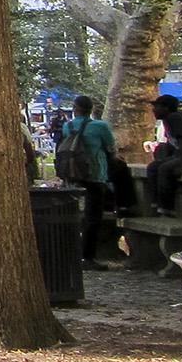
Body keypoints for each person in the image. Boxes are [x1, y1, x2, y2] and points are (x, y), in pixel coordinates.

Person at [62, 96, 116, 263]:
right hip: (95, 175)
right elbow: (111, 148)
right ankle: (89, 256)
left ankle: (73, 252)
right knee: (93, 216)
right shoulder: (100, 126)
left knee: (72, 215)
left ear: (75, 108)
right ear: (91, 109)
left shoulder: (68, 126)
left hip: (73, 174)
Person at [146, 94, 182, 216]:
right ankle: (155, 203)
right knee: (152, 167)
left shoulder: (174, 118)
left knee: (164, 169)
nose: (153, 110)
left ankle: (167, 208)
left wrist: (181, 164)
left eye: (157, 107)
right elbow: (172, 145)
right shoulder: (167, 121)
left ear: (166, 108)